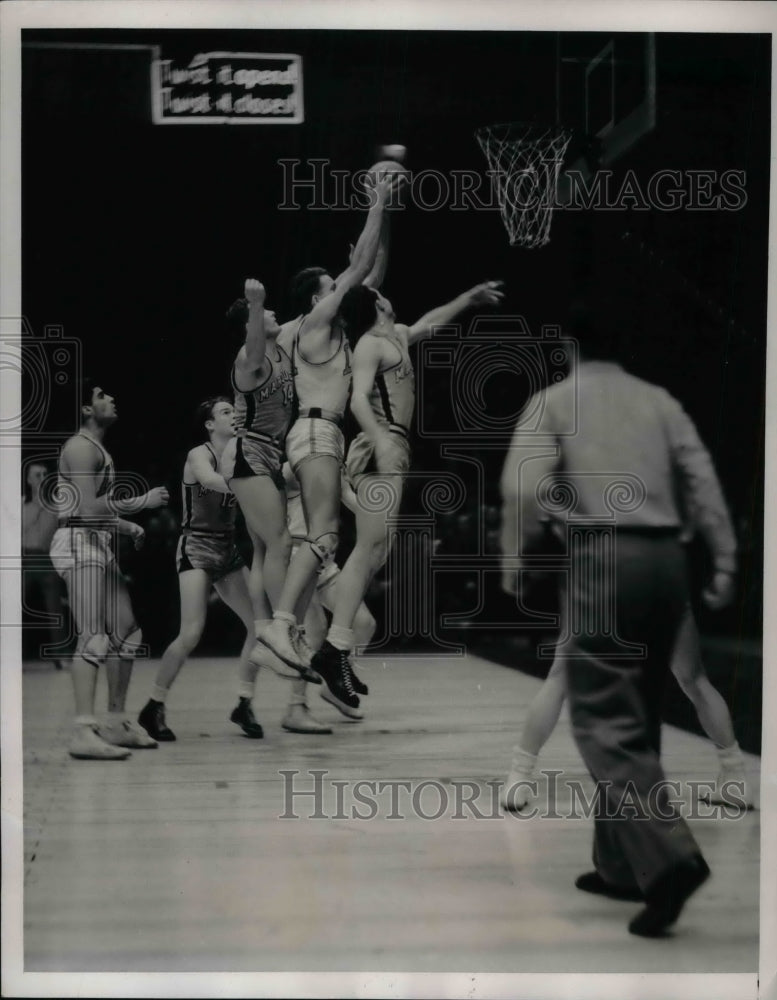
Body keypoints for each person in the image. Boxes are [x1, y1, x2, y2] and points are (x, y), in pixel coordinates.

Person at [499, 302, 738, 937]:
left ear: (572, 349)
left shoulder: (556, 400)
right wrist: (725, 557)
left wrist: (515, 554)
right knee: (640, 716)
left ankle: (670, 860)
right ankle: (619, 867)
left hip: (605, 557)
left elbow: (523, 485)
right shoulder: (658, 399)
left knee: (604, 721)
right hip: (668, 561)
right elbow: (702, 478)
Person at [311, 279, 505, 716]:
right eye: (380, 293)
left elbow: (430, 323)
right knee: (370, 545)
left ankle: (334, 647)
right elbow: (358, 399)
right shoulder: (367, 346)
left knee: (379, 551)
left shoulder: (394, 336)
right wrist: (378, 438)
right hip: (380, 445)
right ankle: (334, 648)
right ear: (377, 304)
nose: (386, 294)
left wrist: (467, 298)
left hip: (395, 446)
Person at [258, 174, 396, 672]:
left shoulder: (319, 325)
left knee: (323, 539)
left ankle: (284, 628)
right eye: (330, 288)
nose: (341, 290)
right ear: (317, 299)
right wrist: (377, 200)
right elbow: (358, 267)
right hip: (315, 431)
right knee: (323, 538)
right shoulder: (312, 326)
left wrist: (385, 218)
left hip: (317, 436)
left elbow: (370, 273)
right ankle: (280, 624)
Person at [502, 606, 752, 812]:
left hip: (609, 579)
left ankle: (519, 776)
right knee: (694, 679)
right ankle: (735, 775)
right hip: (662, 580)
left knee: (559, 679)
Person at [50, 380, 170, 759]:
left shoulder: (97, 448)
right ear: (86, 409)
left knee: (127, 631)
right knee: (94, 637)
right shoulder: (81, 448)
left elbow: (93, 512)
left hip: (94, 542)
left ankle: (116, 723)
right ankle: (83, 732)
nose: (112, 399)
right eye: (102, 396)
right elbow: (85, 511)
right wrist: (142, 502)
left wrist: (124, 526)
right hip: (76, 544)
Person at [137, 397, 266, 742]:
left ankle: (244, 702)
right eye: (225, 412)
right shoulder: (199, 454)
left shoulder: (243, 452)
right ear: (210, 424)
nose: (233, 415)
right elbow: (211, 480)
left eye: (233, 411)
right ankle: (154, 705)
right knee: (191, 632)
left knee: (259, 628)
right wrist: (259, 483)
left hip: (228, 547)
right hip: (196, 545)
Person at [219, 278, 320, 686]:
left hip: (268, 455)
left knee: (265, 547)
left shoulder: (282, 345)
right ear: (253, 323)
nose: (275, 313)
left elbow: (318, 312)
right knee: (281, 541)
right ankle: (284, 632)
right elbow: (255, 343)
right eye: (265, 313)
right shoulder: (250, 357)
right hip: (249, 451)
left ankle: (268, 633)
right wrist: (256, 304)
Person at [281, 461, 376, 728]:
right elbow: (282, 482)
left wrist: (380, 509)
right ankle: (295, 708)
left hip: (326, 562)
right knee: (314, 632)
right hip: (299, 556)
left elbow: (353, 502)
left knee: (364, 623)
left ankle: (335, 686)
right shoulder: (295, 463)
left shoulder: (334, 466)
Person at [22, 462, 69, 669]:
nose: (42, 478)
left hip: (47, 558)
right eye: (37, 475)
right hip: (24, 559)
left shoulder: (56, 504)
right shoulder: (22, 503)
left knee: (55, 610)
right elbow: (24, 526)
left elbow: (65, 530)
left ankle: (61, 656)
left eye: (44, 474)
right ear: (29, 480)